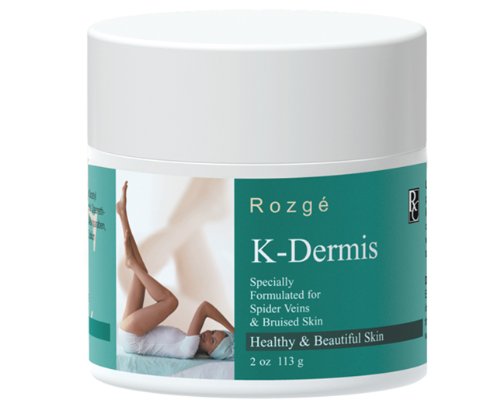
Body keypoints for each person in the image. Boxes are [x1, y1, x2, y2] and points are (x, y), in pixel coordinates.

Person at [116, 181, 234, 360]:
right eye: (213, 332)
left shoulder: (189, 349)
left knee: (170, 301)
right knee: (142, 270)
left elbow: (204, 308)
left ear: (211, 353)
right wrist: (231, 330)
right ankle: (123, 214)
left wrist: (232, 328)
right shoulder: (189, 343)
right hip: (133, 335)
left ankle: (132, 263)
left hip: (134, 337)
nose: (207, 334)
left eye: (212, 341)